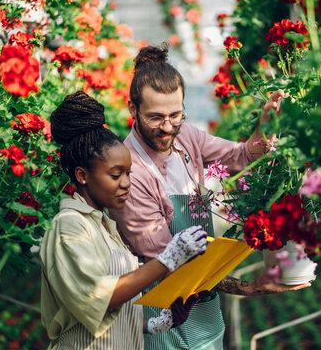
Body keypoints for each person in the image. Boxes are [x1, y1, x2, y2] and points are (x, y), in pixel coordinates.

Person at [108, 44, 310, 350]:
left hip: (206, 304)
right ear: (133, 110)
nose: (167, 128)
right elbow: (168, 263)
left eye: (175, 115)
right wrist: (251, 287)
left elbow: (241, 155)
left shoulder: (186, 135)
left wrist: (265, 125)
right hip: (165, 314)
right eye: (155, 118)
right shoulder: (132, 173)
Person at [40, 90, 210, 350]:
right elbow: (99, 297)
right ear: (82, 175)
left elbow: (115, 314)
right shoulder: (69, 226)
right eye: (115, 174)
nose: (127, 183)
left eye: (129, 173)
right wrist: (169, 259)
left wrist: (157, 324)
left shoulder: (105, 226)